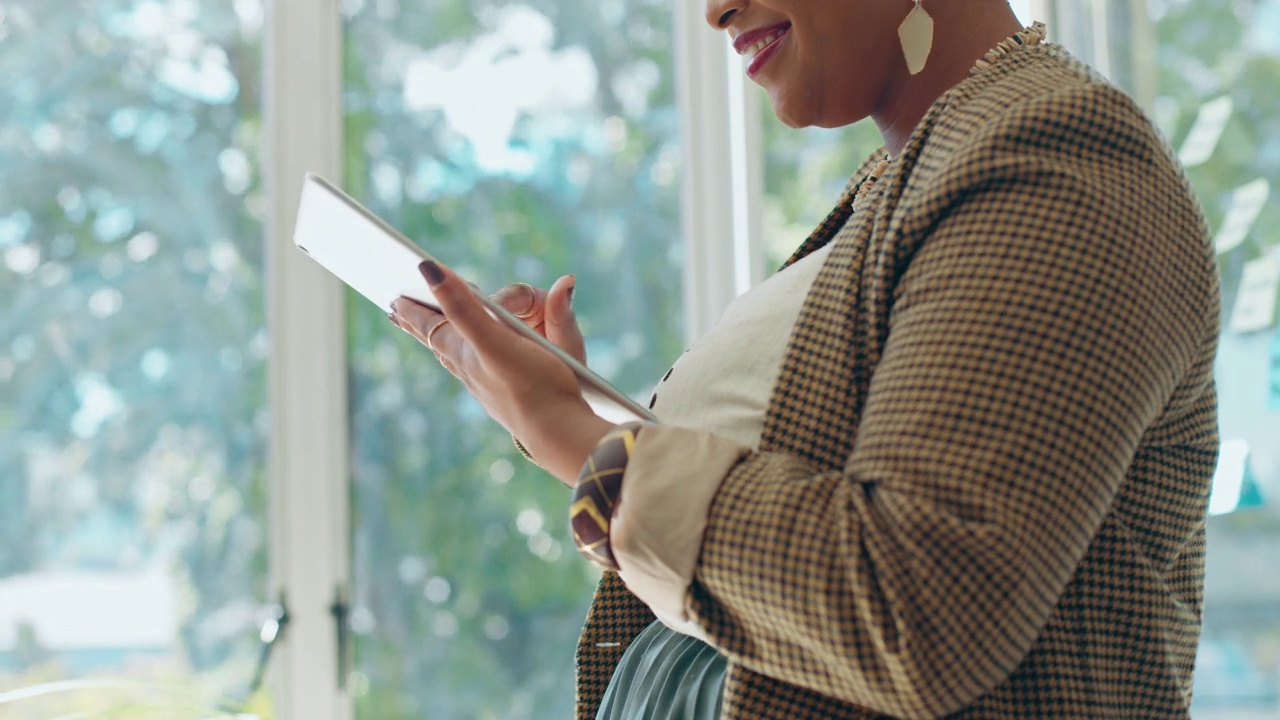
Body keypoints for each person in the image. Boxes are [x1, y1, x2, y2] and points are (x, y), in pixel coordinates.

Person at [389, 0, 1221, 717]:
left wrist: (581, 443)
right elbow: (789, 516)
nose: (714, 8)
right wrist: (567, 420)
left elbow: (922, 606)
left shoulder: (1055, 160)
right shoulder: (905, 184)